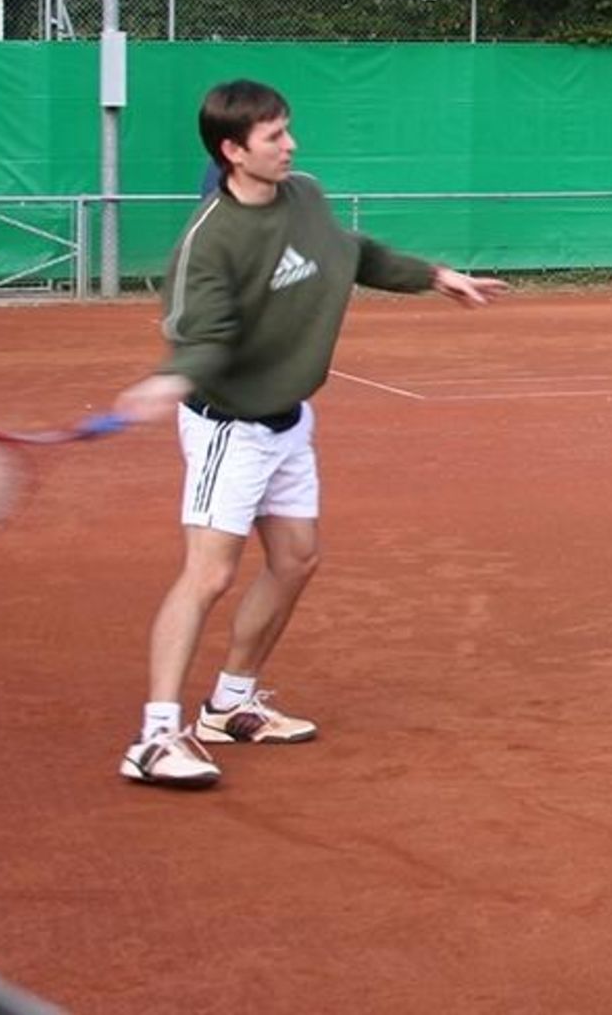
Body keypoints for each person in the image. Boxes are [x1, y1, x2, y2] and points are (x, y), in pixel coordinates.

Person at [111, 79, 506, 789]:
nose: (290, 145)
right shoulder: (210, 242)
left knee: (296, 560)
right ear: (233, 151)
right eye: (274, 136)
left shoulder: (305, 197)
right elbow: (202, 334)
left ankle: (230, 704)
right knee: (209, 575)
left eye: (288, 129)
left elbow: (351, 250)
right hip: (229, 426)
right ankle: (155, 737)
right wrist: (173, 378)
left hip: (289, 419)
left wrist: (434, 275)